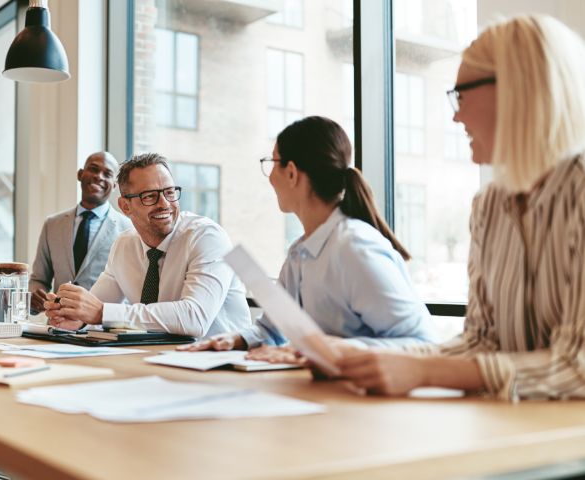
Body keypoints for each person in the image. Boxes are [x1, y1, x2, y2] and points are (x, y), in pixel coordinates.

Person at [335, 14, 585, 401]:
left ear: (516, 90)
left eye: (461, 95)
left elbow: (577, 366)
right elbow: (481, 344)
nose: (456, 115)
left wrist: (423, 370)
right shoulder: (488, 207)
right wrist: (361, 360)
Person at [181, 116, 434, 357]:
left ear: (291, 173)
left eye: (272, 163)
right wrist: (235, 339)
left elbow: (421, 343)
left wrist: (331, 349)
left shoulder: (355, 248)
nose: (269, 176)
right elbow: (273, 329)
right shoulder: (299, 253)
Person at [44, 153, 251, 338]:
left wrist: (101, 313)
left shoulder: (207, 237)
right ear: (125, 206)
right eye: (150, 196)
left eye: (169, 192)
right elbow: (94, 305)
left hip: (222, 366)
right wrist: (74, 316)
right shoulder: (124, 245)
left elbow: (194, 318)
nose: (165, 204)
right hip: (160, 359)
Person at [29, 151, 132, 313]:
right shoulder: (52, 224)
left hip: (102, 330)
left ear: (114, 185)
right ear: (80, 174)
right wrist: (34, 296)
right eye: (93, 169)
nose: (99, 176)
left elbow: (130, 291)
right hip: (57, 325)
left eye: (107, 174)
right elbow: (38, 279)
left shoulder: (128, 229)